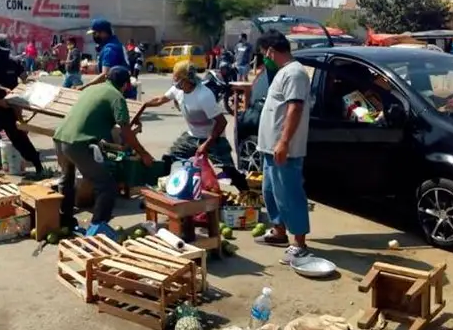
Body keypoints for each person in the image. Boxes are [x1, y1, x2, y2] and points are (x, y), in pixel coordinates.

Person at [54, 66, 155, 229]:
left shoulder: (92, 89)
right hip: (77, 145)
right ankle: (97, 228)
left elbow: (91, 118)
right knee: (107, 186)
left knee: (67, 181)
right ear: (126, 85)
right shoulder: (117, 97)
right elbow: (125, 132)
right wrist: (143, 154)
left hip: (59, 138)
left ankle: (64, 222)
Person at [252, 31, 313, 263]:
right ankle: (279, 231)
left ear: (270, 51)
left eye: (263, 54)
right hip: (270, 147)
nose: (263, 59)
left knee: (289, 194)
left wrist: (284, 142)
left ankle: (299, 242)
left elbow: (294, 108)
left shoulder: (295, 73)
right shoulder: (282, 72)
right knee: (270, 191)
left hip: (284, 149)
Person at [140, 61, 247, 189]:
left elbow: (222, 122)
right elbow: (160, 100)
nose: (174, 82)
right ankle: (165, 189)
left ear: (186, 79)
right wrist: (143, 105)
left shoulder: (203, 95)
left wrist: (207, 144)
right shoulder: (177, 90)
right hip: (192, 136)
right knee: (169, 158)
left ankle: (247, 195)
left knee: (228, 169)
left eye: (177, 79)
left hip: (213, 138)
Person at [0, 34, 46, 176]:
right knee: (15, 138)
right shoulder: (12, 62)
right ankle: (37, 166)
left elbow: (26, 79)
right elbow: (26, 79)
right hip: (4, 106)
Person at [80, 18, 137, 99]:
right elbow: (105, 68)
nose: (93, 36)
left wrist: (84, 87)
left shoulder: (110, 49)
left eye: (95, 33)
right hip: (118, 91)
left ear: (103, 33)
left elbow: (105, 75)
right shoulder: (111, 44)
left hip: (120, 94)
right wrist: (88, 68)